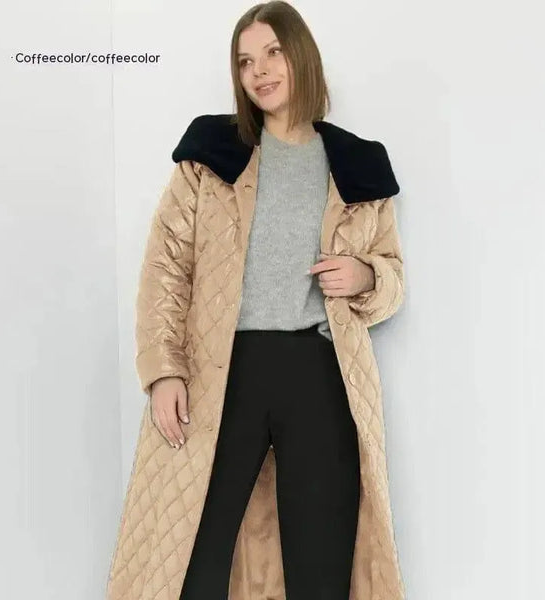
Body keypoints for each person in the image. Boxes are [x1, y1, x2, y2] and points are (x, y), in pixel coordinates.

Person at [107, 2, 407, 599]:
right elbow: (166, 266)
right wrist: (163, 371)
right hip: (223, 369)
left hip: (320, 372)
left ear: (301, 56)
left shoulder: (357, 165)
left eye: (273, 53)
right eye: (245, 62)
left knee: (322, 560)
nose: (260, 71)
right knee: (191, 553)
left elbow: (392, 273)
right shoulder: (211, 155)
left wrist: (365, 275)